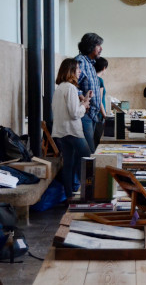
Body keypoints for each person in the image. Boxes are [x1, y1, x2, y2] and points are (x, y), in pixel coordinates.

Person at [51, 59, 92, 200]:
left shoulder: (60, 87)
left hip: (61, 131)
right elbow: (75, 113)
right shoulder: (70, 88)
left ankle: (69, 196)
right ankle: (89, 193)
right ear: (71, 71)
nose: (79, 71)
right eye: (77, 69)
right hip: (72, 131)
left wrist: (82, 101)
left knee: (68, 164)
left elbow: (67, 109)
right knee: (89, 160)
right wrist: (85, 105)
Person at [75, 32, 104, 153]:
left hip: (92, 114)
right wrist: (83, 99)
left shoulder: (90, 64)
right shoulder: (80, 61)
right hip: (85, 114)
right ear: (90, 46)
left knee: (91, 150)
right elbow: (72, 84)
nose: (101, 48)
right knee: (89, 152)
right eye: (98, 45)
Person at [93, 57, 108, 148]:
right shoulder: (99, 80)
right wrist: (105, 115)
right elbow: (99, 100)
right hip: (99, 115)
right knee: (98, 140)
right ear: (104, 68)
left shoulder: (93, 78)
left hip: (96, 114)